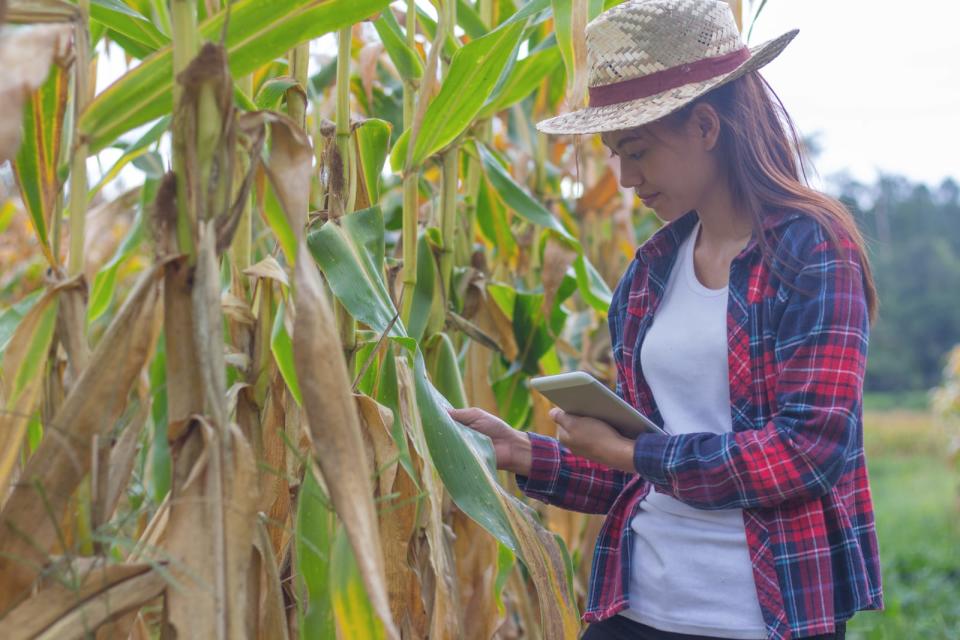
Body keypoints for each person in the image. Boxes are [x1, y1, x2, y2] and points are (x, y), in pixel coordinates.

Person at [447, 1, 884, 639]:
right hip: (636, 609)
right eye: (614, 154)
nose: (624, 179)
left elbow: (808, 450)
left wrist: (634, 451)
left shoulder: (813, 250)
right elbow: (639, 472)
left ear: (706, 126)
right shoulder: (651, 270)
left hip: (766, 614)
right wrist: (525, 454)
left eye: (638, 151)